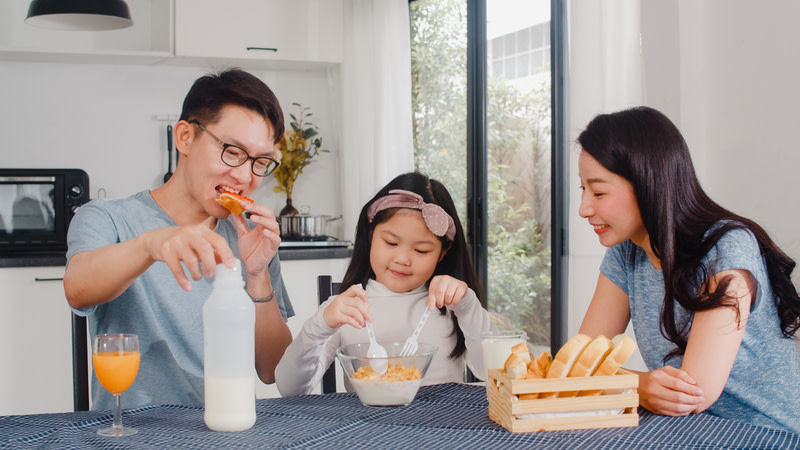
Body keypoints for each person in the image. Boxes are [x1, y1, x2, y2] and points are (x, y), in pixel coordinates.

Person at [64, 68, 294, 410]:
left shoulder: (251, 237)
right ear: (185, 137)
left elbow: (273, 369)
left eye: (260, 162)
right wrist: (150, 244)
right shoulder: (107, 218)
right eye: (232, 151)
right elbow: (78, 289)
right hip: (139, 432)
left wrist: (258, 275)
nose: (245, 176)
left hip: (232, 427)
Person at [576, 106, 800, 433]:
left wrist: (627, 384)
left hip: (766, 434)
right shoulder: (625, 253)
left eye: (598, 192)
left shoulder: (727, 247)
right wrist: (639, 386)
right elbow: (579, 361)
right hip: (687, 430)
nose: (584, 208)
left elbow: (692, 393)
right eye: (582, 189)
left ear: (648, 184)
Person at [275, 172, 495, 396]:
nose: (402, 259)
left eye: (421, 250)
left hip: (445, 426)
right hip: (366, 429)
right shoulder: (346, 309)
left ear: (442, 252)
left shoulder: (452, 305)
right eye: (391, 242)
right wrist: (319, 327)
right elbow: (290, 389)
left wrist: (467, 306)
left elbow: (495, 372)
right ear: (370, 233)